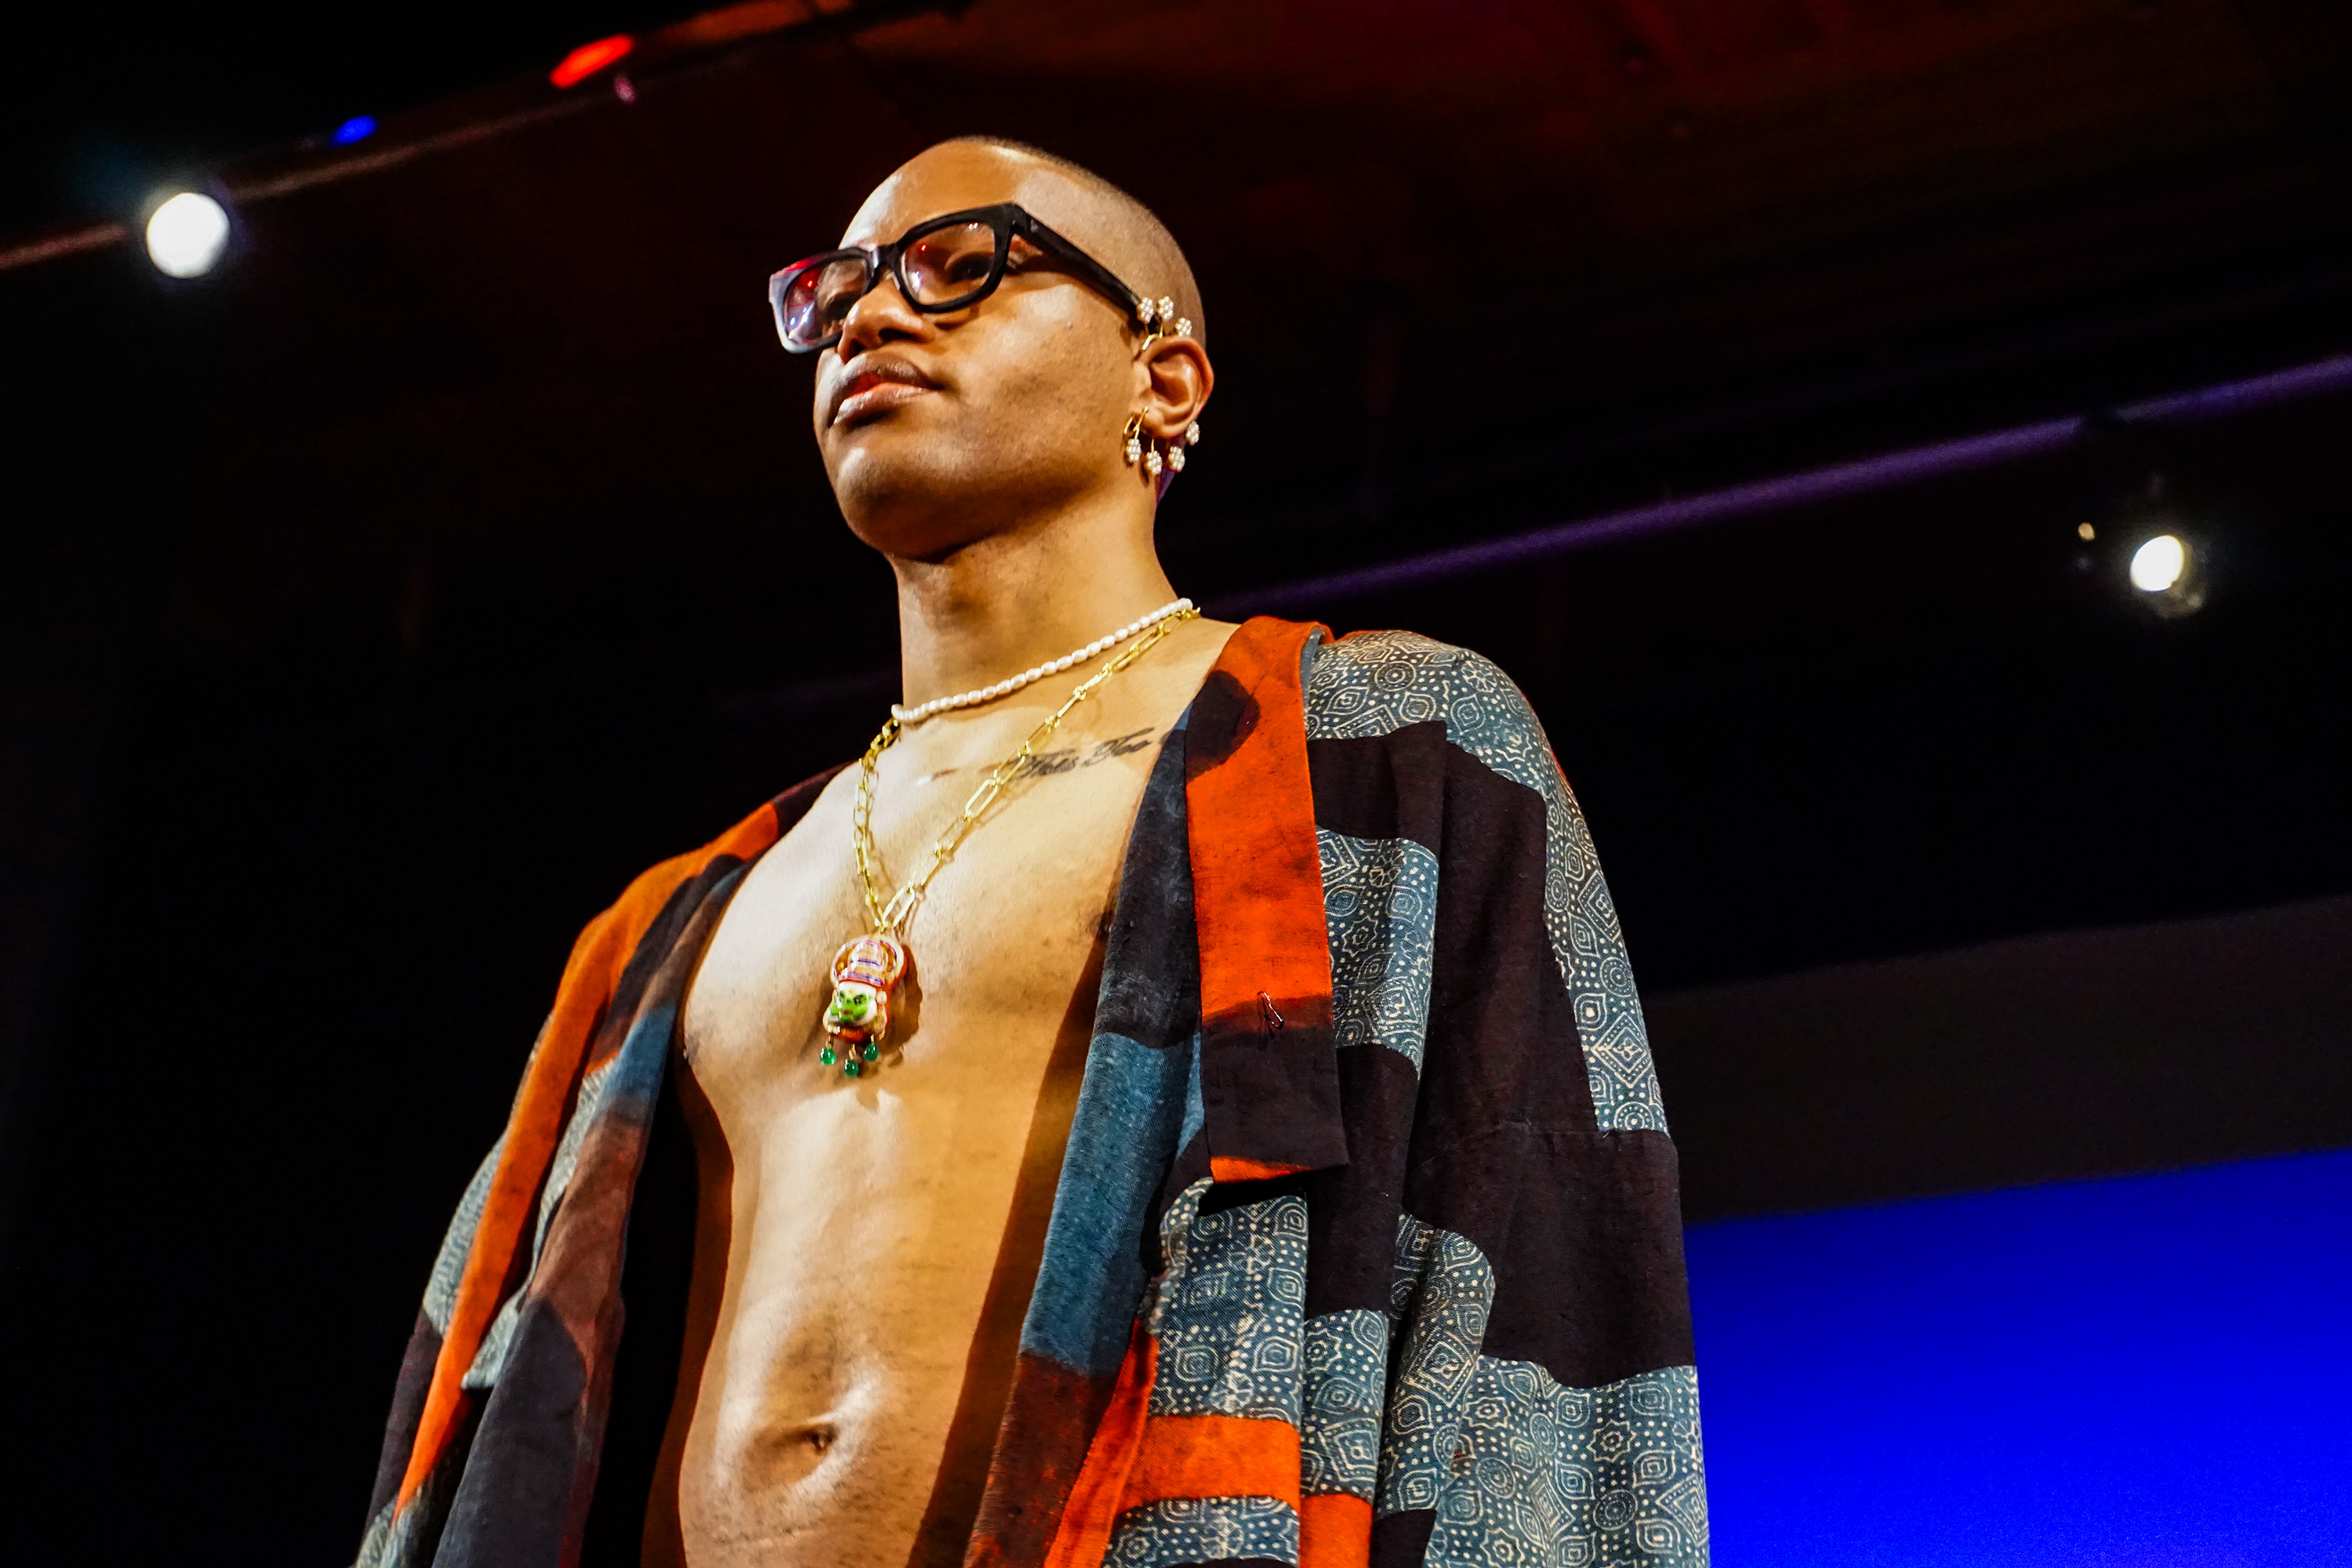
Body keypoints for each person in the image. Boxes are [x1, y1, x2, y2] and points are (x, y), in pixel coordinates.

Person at [356, 138, 1706, 1568]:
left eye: (960, 264)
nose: (870, 318)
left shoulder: (1379, 748)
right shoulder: (675, 922)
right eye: (838, 293)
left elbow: (1550, 1285)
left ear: (1163, 378)